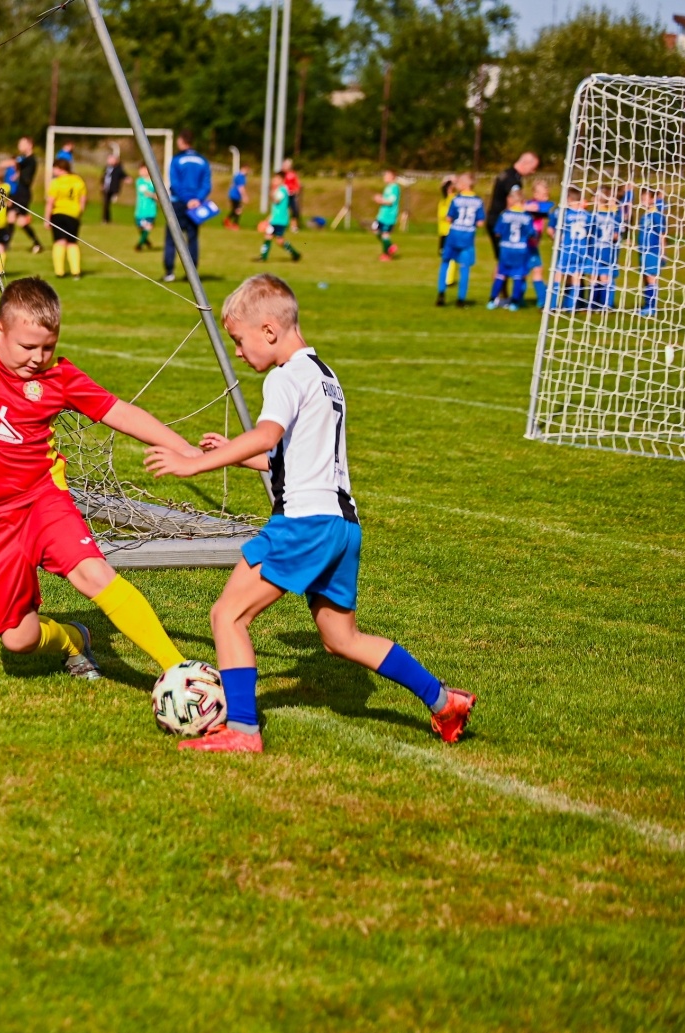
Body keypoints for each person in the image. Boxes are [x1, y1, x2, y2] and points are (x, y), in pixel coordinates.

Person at [142, 273, 476, 753]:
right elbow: (288, 459)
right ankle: (445, 701)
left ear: (269, 331)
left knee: (227, 616)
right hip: (342, 526)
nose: (238, 352)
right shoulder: (325, 376)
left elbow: (266, 436)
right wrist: (232, 453)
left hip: (304, 524)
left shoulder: (284, 376)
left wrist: (193, 464)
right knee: (342, 639)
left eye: (240, 340)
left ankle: (243, 732)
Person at [0, 251, 192, 681]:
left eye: (48, 346)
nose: (39, 357)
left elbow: (121, 412)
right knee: (18, 639)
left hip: (41, 501)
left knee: (93, 574)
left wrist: (186, 450)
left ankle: (180, 671)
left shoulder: (60, 377)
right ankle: (74, 639)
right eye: (28, 346)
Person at [162, 132, 210, 282]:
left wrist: (187, 200)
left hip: (178, 203)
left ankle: (169, 272)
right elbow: (206, 185)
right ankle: (191, 273)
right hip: (196, 205)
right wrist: (197, 199)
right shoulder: (203, 161)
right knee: (193, 238)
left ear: (182, 141)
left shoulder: (176, 160)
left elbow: (175, 184)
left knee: (172, 237)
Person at [437, 173, 484, 308]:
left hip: (453, 235)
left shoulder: (456, 199)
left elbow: (449, 218)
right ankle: (461, 299)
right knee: (464, 267)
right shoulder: (478, 201)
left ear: (464, 185)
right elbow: (480, 222)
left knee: (445, 263)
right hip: (468, 237)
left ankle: (441, 294)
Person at [488, 187, 533, 311]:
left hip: (506, 249)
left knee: (501, 274)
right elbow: (531, 233)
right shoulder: (527, 216)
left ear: (512, 200)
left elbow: (497, 232)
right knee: (518, 276)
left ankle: (492, 300)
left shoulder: (505, 214)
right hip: (520, 249)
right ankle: (514, 302)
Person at [487, 151, 539, 259]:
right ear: (526, 163)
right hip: (501, 222)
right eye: (533, 168)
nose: (533, 171)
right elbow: (513, 201)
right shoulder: (512, 179)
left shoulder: (508, 174)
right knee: (506, 260)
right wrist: (527, 207)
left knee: (503, 260)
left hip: (495, 219)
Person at [548, 187, 589, 311]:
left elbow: (550, 230)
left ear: (569, 199)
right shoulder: (587, 215)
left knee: (558, 276)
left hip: (566, 250)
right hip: (581, 251)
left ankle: (552, 305)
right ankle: (571, 306)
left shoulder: (561, 212)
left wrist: (556, 238)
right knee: (576, 277)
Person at [45, 157, 87, 278]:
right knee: (72, 243)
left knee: (60, 241)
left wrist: (47, 218)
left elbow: (50, 201)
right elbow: (83, 199)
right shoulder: (78, 180)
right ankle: (76, 271)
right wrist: (79, 212)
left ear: (60, 168)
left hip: (59, 213)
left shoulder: (56, 182)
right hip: (73, 214)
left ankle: (59, 272)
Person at [587, 188, 621, 310]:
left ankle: (593, 304)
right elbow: (616, 236)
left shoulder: (592, 216)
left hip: (595, 250)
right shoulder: (614, 216)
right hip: (608, 250)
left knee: (594, 276)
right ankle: (606, 304)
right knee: (605, 276)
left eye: (594, 197)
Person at [636, 186, 667, 316]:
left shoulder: (656, 215)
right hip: (643, 251)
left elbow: (662, 234)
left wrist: (663, 252)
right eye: (642, 198)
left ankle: (651, 307)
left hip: (653, 251)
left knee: (651, 278)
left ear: (653, 199)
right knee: (646, 278)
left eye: (645, 198)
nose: (642, 201)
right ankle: (647, 305)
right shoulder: (645, 215)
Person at [524, 179, 554, 308]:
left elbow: (548, 209)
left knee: (532, 271)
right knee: (535, 270)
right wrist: (526, 207)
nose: (546, 197)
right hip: (526, 245)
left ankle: (541, 299)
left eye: (547, 194)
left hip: (532, 244)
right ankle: (543, 300)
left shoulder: (542, 206)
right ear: (535, 194)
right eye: (543, 194)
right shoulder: (530, 205)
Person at [9, 137, 42, 253]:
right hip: (20, 191)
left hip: (23, 193)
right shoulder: (24, 159)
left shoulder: (30, 159)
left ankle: (5, 242)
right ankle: (36, 243)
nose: (19, 146)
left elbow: (14, 163)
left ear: (30, 145)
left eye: (22, 143)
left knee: (16, 218)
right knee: (16, 219)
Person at [258, 173, 300, 262]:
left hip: (280, 221)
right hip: (275, 220)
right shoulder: (278, 190)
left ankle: (295, 254)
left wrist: (271, 193)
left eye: (276, 179)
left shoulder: (282, 190)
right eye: (274, 179)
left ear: (282, 180)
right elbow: (275, 209)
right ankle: (263, 257)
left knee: (280, 241)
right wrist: (269, 218)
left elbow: (277, 200)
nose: (274, 181)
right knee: (268, 236)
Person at [372, 167, 401, 260]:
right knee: (375, 229)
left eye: (386, 175)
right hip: (382, 215)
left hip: (389, 216)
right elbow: (386, 198)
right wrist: (380, 198)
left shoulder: (395, 188)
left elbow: (390, 201)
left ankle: (386, 255)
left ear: (392, 177)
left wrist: (380, 200)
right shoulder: (388, 187)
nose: (384, 177)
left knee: (385, 234)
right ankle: (390, 246)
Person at [436, 175, 457, 286]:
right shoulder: (445, 200)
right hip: (444, 231)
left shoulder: (452, 200)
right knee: (445, 256)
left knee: (450, 256)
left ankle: (449, 280)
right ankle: (447, 278)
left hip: (449, 231)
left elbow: (446, 215)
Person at [133, 162, 158, 251]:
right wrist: (154, 195)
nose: (141, 172)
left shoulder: (155, 182)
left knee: (147, 227)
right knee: (140, 228)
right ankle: (146, 241)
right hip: (140, 210)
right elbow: (145, 192)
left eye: (144, 170)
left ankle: (139, 245)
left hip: (150, 210)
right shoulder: (139, 181)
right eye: (140, 170)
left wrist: (155, 196)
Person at [100, 153, 126, 223]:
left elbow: (123, 175)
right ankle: (105, 219)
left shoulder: (118, 168)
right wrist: (102, 185)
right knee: (105, 203)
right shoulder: (106, 168)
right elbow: (103, 177)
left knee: (108, 203)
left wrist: (126, 178)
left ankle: (107, 219)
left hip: (113, 188)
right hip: (106, 188)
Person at [225, 164, 248, 229]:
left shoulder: (237, 175)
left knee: (235, 209)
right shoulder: (241, 177)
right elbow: (241, 187)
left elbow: (232, 184)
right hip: (235, 195)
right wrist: (244, 196)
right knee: (238, 210)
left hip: (233, 194)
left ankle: (227, 220)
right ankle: (235, 224)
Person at [281, 158, 302, 223]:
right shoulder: (281, 174)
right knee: (281, 210)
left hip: (291, 195)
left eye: (286, 165)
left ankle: (294, 225)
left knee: (295, 211)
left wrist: (296, 191)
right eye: (284, 165)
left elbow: (297, 184)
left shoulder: (293, 174)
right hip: (283, 195)